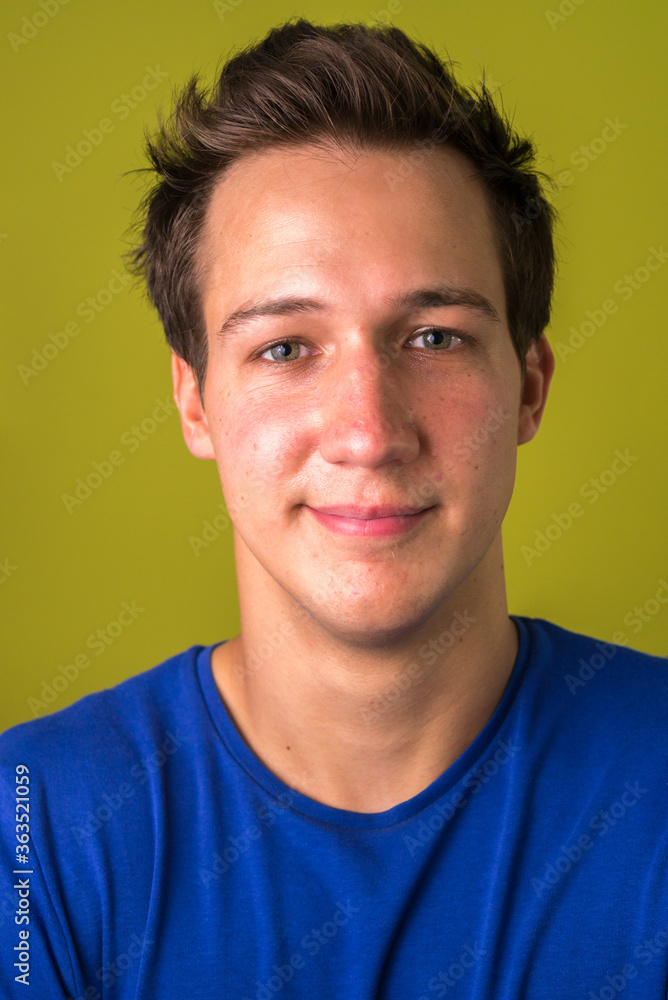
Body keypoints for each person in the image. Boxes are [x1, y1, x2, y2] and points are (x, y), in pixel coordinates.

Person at [1, 17, 666, 999]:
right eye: (283, 347)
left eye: (433, 337)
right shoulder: (34, 830)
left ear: (528, 387)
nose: (365, 429)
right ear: (194, 400)